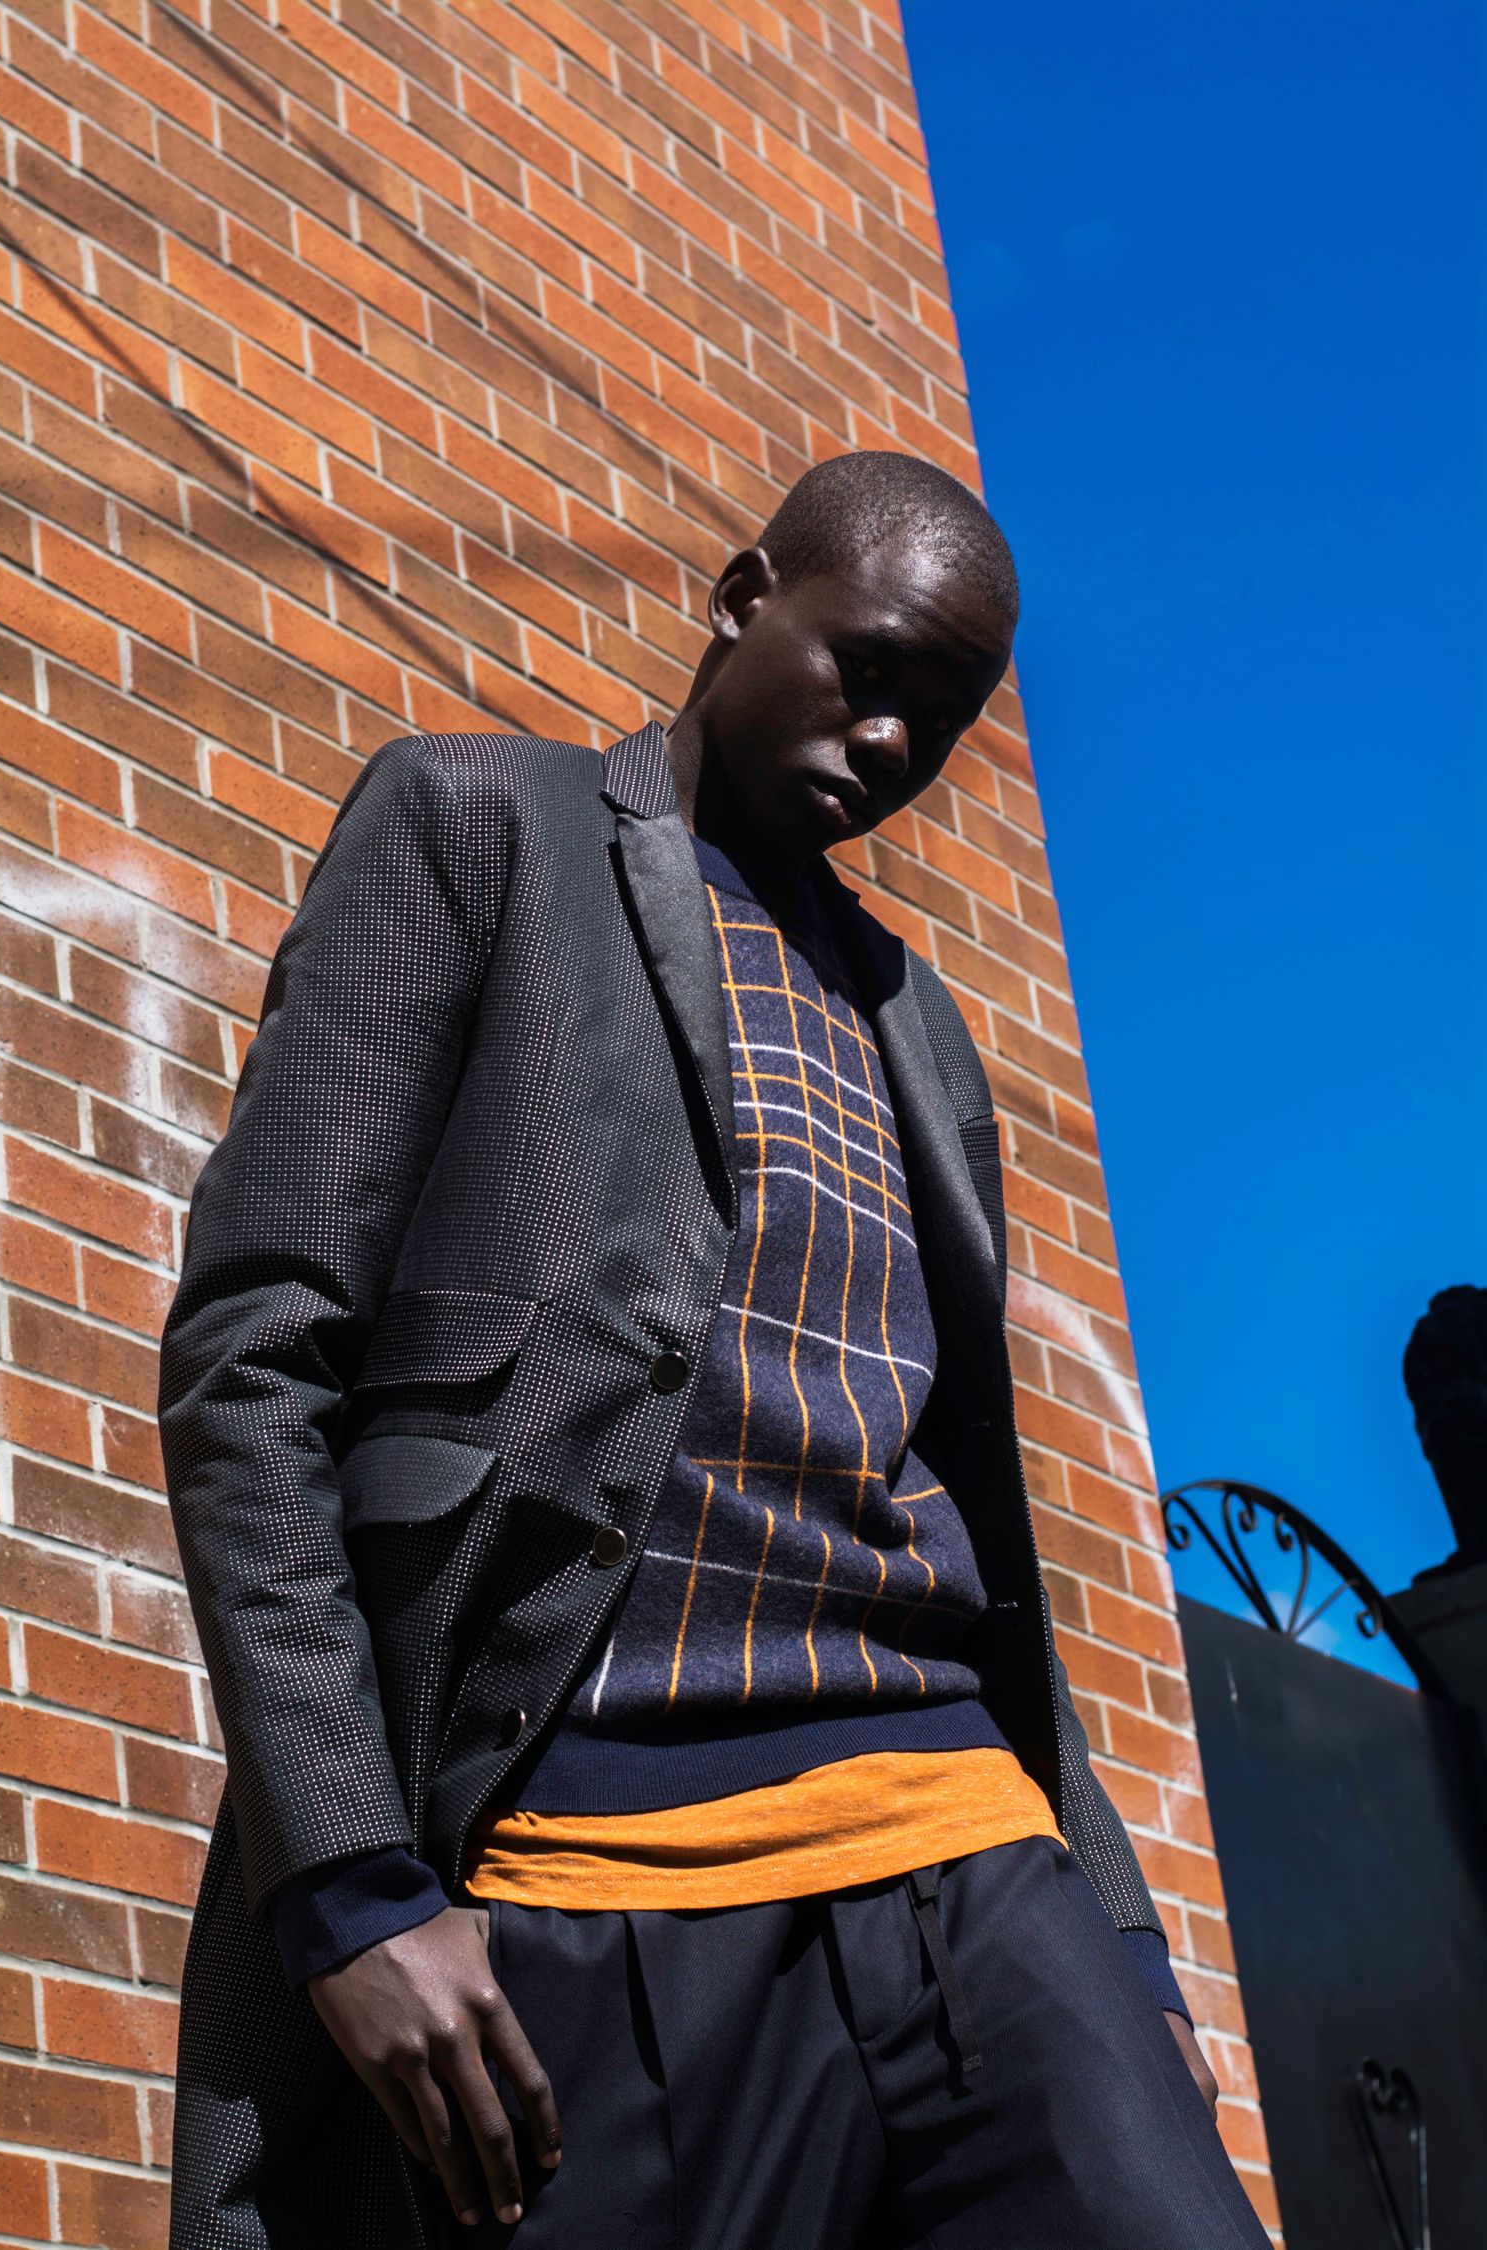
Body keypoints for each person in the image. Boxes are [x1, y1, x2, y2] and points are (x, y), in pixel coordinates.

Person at [160, 450, 1265, 2249]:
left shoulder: (916, 1020)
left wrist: (1122, 1943)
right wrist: (353, 1883)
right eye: (872, 666)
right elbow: (254, 1357)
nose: (900, 740)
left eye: (950, 710)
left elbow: (970, 1510)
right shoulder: (480, 827)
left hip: (962, 1843)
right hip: (584, 1861)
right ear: (747, 598)